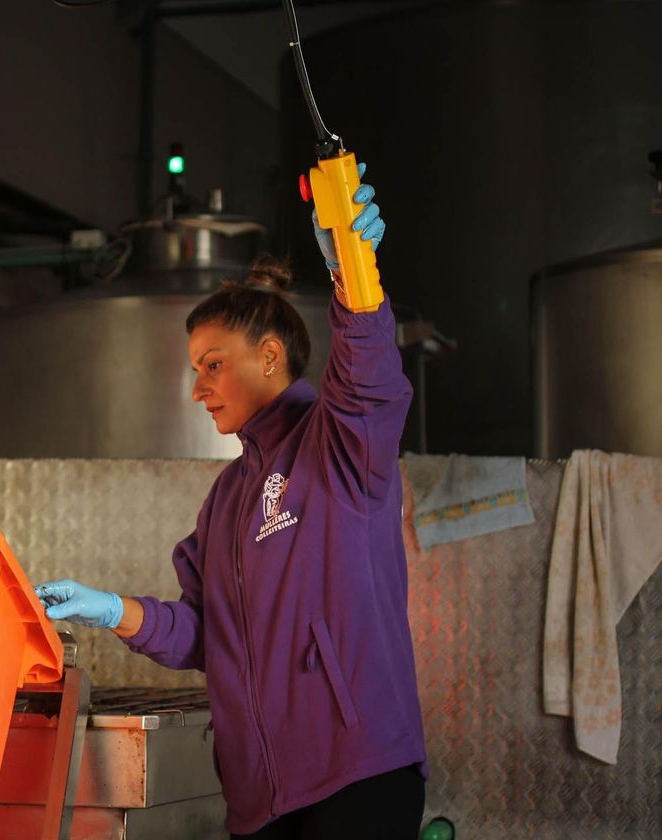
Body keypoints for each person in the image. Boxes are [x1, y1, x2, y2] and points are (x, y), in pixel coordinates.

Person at [35, 164, 427, 839]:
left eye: (213, 364)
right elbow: (206, 635)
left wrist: (354, 284)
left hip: (356, 779)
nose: (198, 388)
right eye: (195, 368)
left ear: (270, 356)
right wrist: (115, 610)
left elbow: (367, 380)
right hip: (259, 801)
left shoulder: (337, 446)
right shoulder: (226, 502)